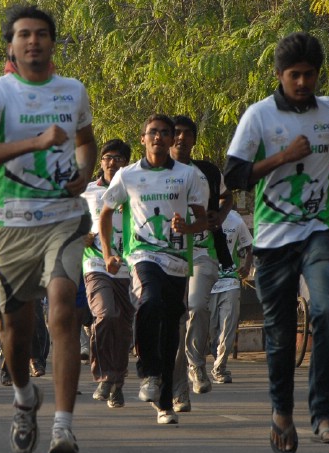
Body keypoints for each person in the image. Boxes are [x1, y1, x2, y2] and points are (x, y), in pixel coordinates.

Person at [0, 4, 95, 453]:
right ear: (11, 46)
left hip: (64, 218)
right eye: (24, 35)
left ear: (52, 43)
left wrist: (84, 173)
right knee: (15, 333)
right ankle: (24, 397)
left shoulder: (73, 90)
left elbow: (86, 141)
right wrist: (34, 142)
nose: (34, 41)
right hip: (13, 224)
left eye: (42, 34)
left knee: (62, 309)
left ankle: (64, 428)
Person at [224, 32, 329, 453]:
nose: (302, 82)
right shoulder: (259, 116)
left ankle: (323, 416)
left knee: (327, 311)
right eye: (294, 75)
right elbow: (233, 175)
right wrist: (280, 158)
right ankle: (281, 412)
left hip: (321, 229)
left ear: (319, 75)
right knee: (282, 335)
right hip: (273, 239)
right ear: (279, 76)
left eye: (309, 75)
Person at [100, 115, 207, 424]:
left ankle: (164, 404)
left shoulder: (188, 175)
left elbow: (204, 219)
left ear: (172, 139)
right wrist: (108, 252)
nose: (158, 137)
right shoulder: (127, 175)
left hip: (177, 261)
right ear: (143, 139)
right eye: (152, 133)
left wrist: (188, 227)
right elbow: (106, 212)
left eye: (164, 133)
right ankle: (147, 373)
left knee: (171, 328)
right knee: (150, 301)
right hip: (142, 256)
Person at [169, 115, 233, 412]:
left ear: (194, 139)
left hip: (204, 250)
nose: (181, 138)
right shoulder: (156, 172)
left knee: (196, 306)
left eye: (187, 134)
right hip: (165, 253)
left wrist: (218, 218)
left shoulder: (207, 171)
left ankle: (196, 365)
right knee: (175, 317)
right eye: (176, 133)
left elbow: (226, 197)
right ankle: (175, 379)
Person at [82, 138, 134, 407]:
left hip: (129, 267)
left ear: (127, 163)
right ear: (101, 162)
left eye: (118, 158)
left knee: (124, 327)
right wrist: (82, 237)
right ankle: (103, 376)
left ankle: (117, 381)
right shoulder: (88, 191)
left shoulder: (135, 189)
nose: (112, 163)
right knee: (105, 314)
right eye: (107, 157)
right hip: (96, 265)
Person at [207, 208, 251, 384]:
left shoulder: (236, 220)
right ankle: (214, 350)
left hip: (230, 281)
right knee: (209, 330)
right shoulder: (201, 215)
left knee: (228, 327)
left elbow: (249, 246)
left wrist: (247, 266)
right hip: (207, 283)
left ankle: (220, 368)